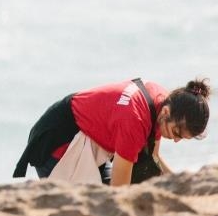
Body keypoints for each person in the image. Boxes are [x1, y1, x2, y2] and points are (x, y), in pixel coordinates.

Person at [14, 78, 211, 186]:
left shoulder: (162, 100)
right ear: (167, 112)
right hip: (58, 144)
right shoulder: (135, 119)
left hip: (91, 141)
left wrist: (181, 183)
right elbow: (119, 191)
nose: (176, 141)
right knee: (102, 200)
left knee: (145, 171)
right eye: (177, 133)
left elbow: (154, 156)